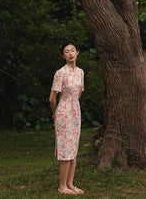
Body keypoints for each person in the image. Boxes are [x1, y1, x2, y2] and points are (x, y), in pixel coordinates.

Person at [49, 42, 84, 195]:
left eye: (72, 50)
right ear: (63, 55)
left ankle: (70, 183)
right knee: (65, 149)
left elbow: (79, 92)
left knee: (73, 148)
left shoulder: (80, 72)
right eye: (66, 51)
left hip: (75, 111)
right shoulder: (60, 73)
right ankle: (62, 186)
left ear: (77, 52)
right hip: (63, 112)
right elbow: (52, 98)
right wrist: (55, 113)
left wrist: (74, 104)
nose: (70, 53)